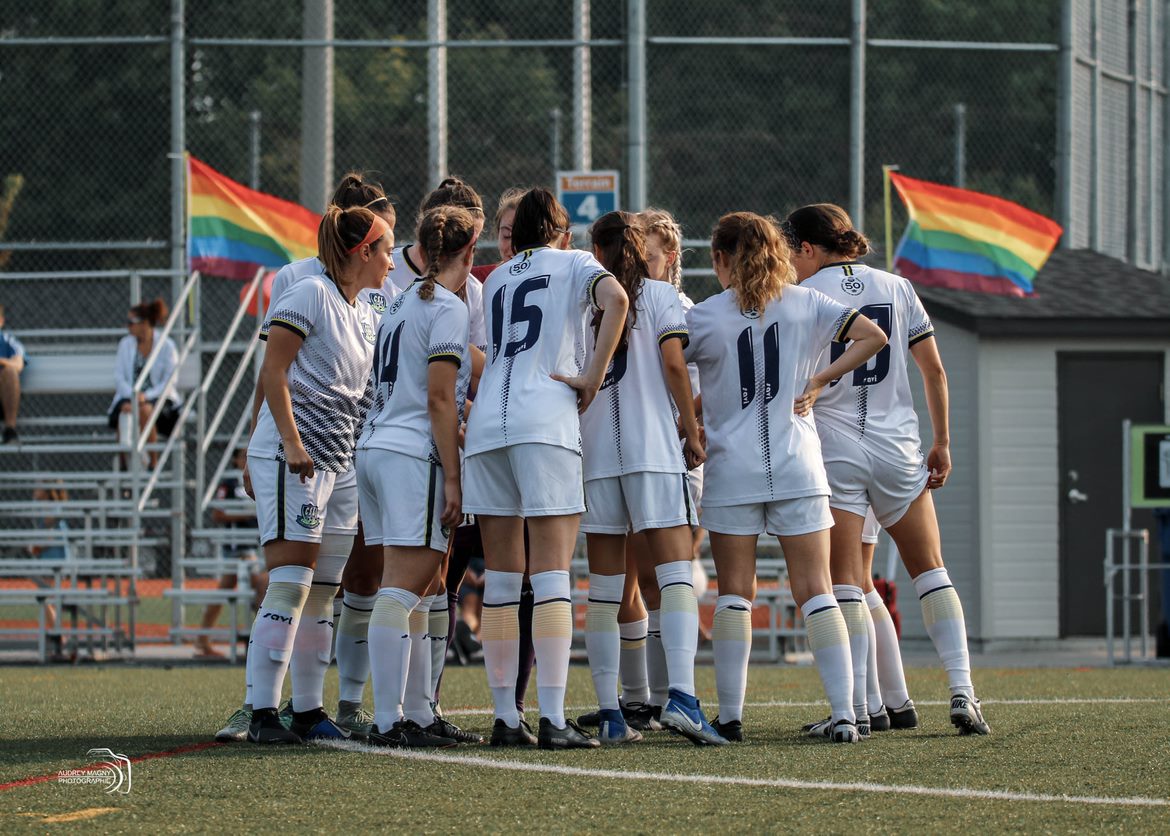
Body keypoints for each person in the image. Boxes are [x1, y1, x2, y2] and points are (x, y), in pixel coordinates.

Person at [684, 211, 887, 743]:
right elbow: (874, 336)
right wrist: (819, 379)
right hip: (798, 462)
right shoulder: (807, 302)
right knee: (816, 590)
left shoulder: (704, 316)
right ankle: (845, 714)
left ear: (721, 259)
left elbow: (669, 363)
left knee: (734, 593)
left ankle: (731, 718)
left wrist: (689, 418)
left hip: (732, 467)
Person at [788, 202, 989, 736]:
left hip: (835, 447)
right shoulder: (897, 287)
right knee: (931, 571)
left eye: (792, 252)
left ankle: (855, 709)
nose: (790, 263)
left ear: (808, 247)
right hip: (898, 446)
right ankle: (963, 693)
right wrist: (942, 441)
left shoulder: (804, 295)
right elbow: (934, 370)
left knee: (846, 582)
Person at [217, 172, 398, 743]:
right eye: (387, 251)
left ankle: (309, 709)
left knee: (323, 589)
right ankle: (261, 713)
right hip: (293, 458)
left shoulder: (364, 308)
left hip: (340, 463)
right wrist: (292, 444)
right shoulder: (308, 291)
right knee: (291, 581)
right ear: (363, 251)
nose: (392, 263)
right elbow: (273, 371)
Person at [463, 187, 629, 750]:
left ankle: (506, 718)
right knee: (552, 574)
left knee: (502, 579)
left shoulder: (498, 278)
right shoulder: (575, 261)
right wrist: (593, 376)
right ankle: (553, 717)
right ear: (561, 232)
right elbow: (617, 300)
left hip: (489, 423)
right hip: (544, 420)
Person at [576, 211, 721, 746]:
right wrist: (691, 428)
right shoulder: (660, 295)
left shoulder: (584, 301)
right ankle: (680, 697)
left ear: (597, 252)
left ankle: (610, 712)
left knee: (605, 589)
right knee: (676, 573)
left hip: (596, 454)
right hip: (653, 450)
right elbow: (676, 366)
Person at [358, 205, 480, 748]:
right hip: (410, 453)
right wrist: (453, 478)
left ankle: (418, 712)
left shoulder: (401, 301)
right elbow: (438, 398)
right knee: (403, 588)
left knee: (424, 585)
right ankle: (390, 721)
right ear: (468, 253)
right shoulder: (447, 307)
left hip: (378, 446)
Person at [195, 449, 267, 659]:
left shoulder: (260, 477)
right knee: (260, 586)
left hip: (255, 544)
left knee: (235, 588)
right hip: (238, 547)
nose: (246, 459)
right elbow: (218, 514)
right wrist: (247, 515)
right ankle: (263, 638)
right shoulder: (229, 483)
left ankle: (203, 639)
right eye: (242, 456)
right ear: (235, 460)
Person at [108, 298, 181, 469]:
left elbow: (170, 381)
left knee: (145, 410)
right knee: (124, 410)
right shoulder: (125, 344)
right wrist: (133, 396)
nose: (128, 326)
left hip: (158, 399)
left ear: (145, 323)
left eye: (131, 322)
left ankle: (152, 463)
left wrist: (145, 397)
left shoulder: (166, 345)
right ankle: (125, 466)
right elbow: (119, 377)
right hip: (130, 397)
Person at [0, 303, 26, 444]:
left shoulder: (8, 341)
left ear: (1, 321)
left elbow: (18, 364)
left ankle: (10, 429)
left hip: (2, 400)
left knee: (10, 371)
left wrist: (1, 362)